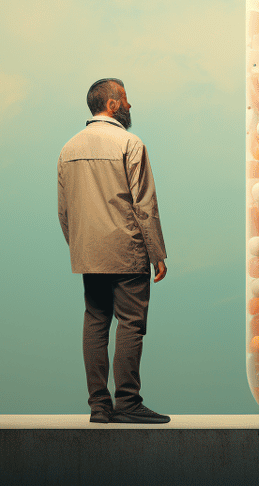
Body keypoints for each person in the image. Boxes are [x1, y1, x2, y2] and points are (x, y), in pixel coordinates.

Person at [57, 78, 170, 424]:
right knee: (131, 323)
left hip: (89, 251)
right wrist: (157, 254)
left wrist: (80, 246)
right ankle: (128, 402)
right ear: (112, 104)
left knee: (95, 321)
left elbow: (64, 210)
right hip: (127, 249)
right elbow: (144, 205)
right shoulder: (130, 142)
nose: (130, 106)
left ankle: (98, 406)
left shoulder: (68, 148)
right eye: (126, 99)